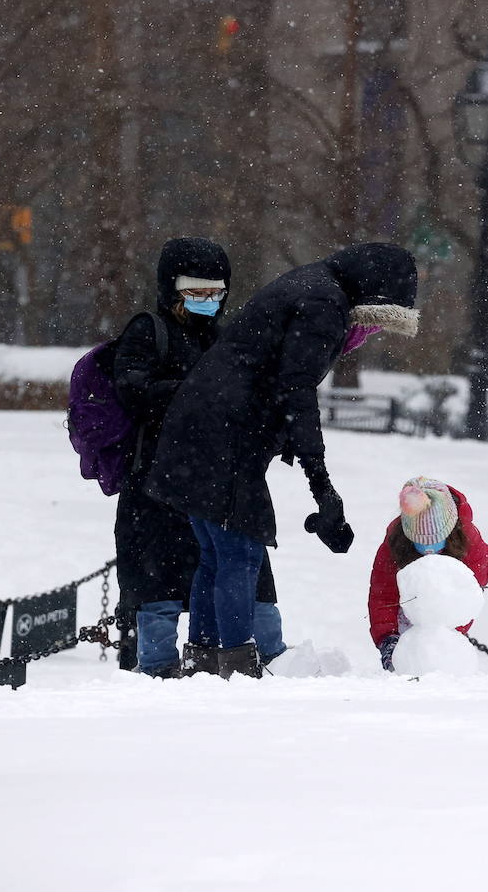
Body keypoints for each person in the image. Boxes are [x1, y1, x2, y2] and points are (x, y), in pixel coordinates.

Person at [147, 243, 420, 680]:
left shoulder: (308, 283)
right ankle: (237, 667)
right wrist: (322, 486)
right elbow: (296, 391)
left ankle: (202, 662)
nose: (369, 331)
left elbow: (273, 375)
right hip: (226, 438)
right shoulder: (324, 303)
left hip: (196, 430)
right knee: (240, 555)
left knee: (215, 556)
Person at [112, 236, 285, 678]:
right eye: (197, 292)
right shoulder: (148, 331)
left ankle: (268, 656)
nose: (209, 301)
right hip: (155, 482)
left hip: (216, 480)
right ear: (172, 289)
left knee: (243, 568)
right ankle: (158, 667)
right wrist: (199, 393)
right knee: (157, 580)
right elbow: (134, 391)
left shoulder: (227, 336)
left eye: (216, 292)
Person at [367, 477, 488, 672]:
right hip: (407, 607)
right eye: (420, 542)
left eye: (435, 542)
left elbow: (466, 595)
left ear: (451, 532)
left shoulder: (469, 542)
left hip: (444, 620)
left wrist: (451, 631)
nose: (428, 550)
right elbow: (383, 594)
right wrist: (388, 638)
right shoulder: (395, 541)